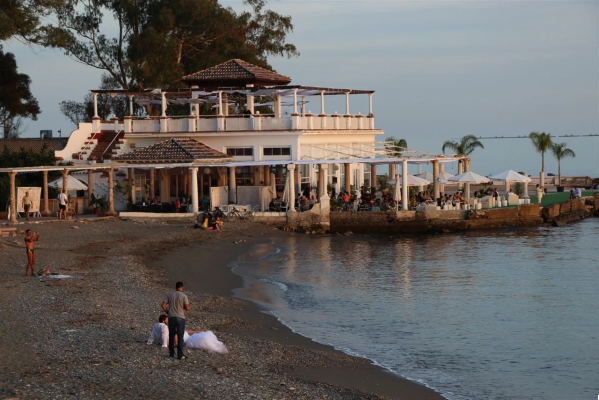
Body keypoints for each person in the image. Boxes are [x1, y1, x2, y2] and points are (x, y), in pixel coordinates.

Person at [162, 282, 190, 360]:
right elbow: (187, 308)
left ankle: (171, 353)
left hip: (171, 317)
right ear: (182, 287)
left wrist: (167, 312)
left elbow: (163, 305)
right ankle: (180, 355)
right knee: (180, 336)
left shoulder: (170, 295)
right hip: (180, 318)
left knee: (171, 335)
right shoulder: (184, 296)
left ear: (176, 287)